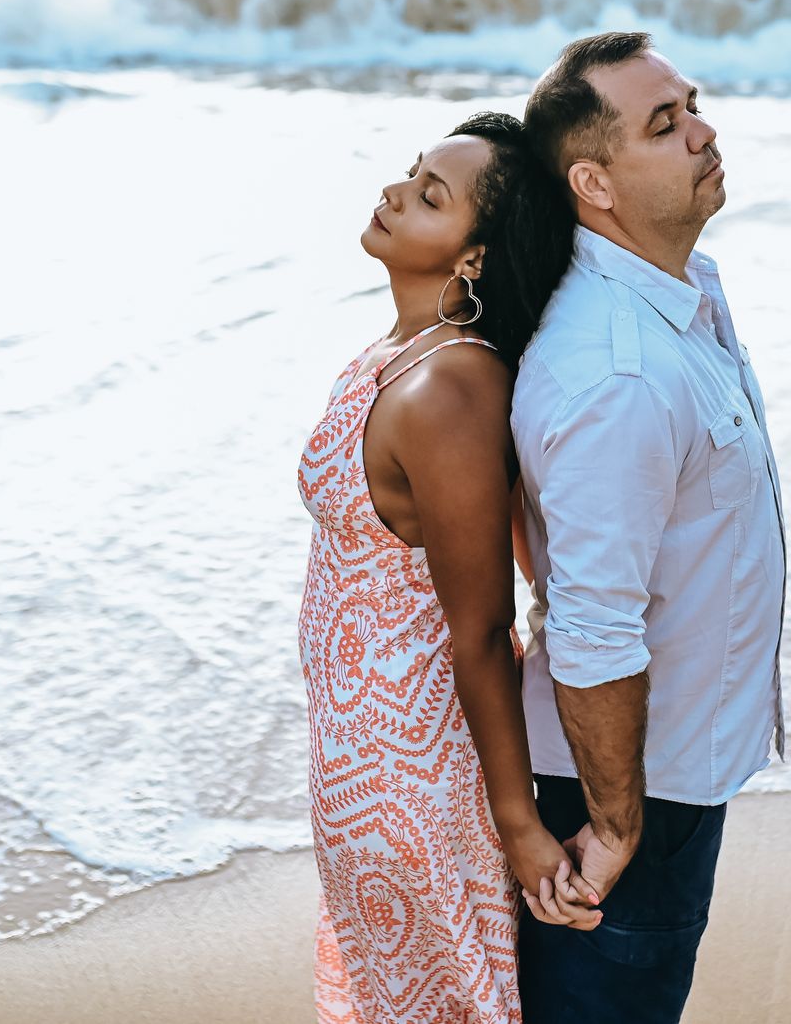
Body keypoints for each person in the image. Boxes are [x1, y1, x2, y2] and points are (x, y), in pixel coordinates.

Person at [510, 33, 789, 1023]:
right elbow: (591, 626)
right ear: (593, 180)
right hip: (617, 788)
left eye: (694, 106)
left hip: (658, 766)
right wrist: (618, 821)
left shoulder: (685, 288)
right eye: (664, 125)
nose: (704, 132)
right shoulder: (617, 374)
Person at [295, 111, 592, 1023]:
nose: (395, 192)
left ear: (474, 260)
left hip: (416, 787)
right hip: (360, 769)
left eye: (431, 196)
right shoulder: (396, 357)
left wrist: (519, 825)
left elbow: (479, 629)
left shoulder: (450, 390)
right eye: (411, 173)